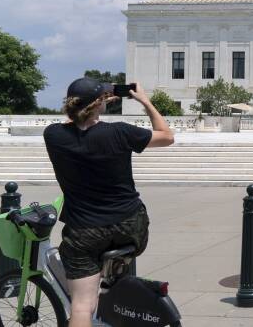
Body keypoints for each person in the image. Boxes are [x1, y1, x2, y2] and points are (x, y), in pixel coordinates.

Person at [45, 78, 174, 327]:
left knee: (82, 306)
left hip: (85, 233)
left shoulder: (53, 135)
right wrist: (145, 101)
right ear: (100, 104)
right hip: (130, 228)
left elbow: (72, 124)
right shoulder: (120, 132)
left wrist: (92, 104)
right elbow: (167, 136)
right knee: (112, 261)